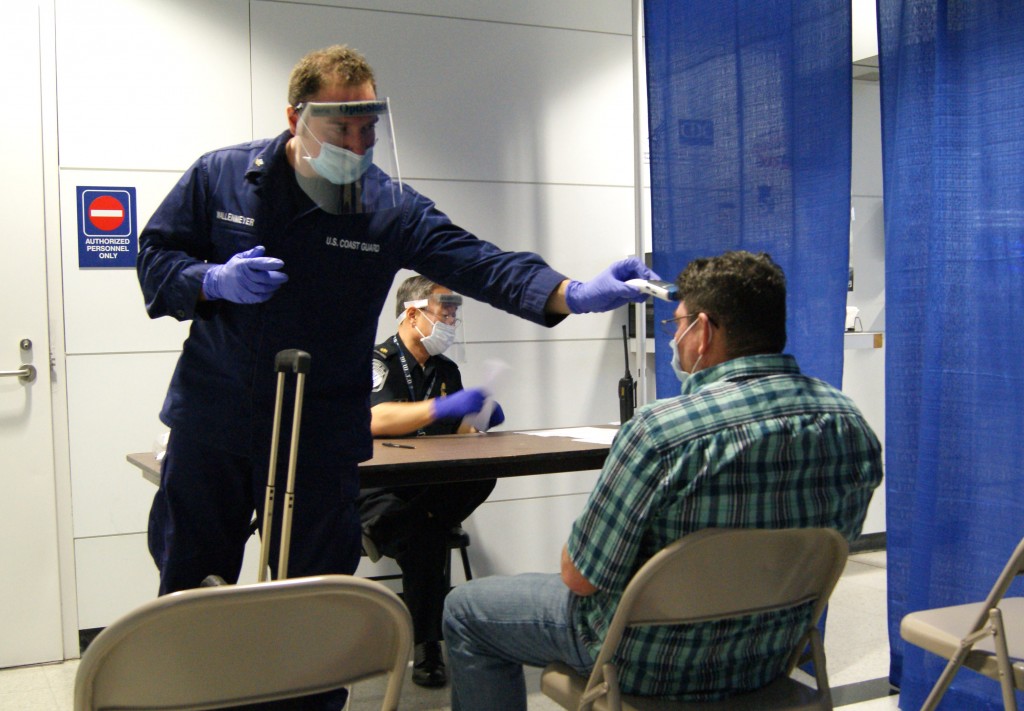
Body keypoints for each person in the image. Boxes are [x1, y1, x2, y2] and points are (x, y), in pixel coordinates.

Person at [137, 44, 654, 600]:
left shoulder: (386, 206)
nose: (358, 148)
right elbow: (157, 259)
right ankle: (196, 685)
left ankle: (306, 691)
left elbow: (478, 262)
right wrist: (212, 280)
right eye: (342, 132)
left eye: (369, 131)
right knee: (190, 584)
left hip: (321, 430)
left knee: (314, 598)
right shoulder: (222, 177)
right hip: (217, 416)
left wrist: (571, 293)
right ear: (295, 119)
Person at [442, 250, 885, 710]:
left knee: (466, 609)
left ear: (704, 330)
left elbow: (579, 578)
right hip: (767, 655)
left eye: (677, 325)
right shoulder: (849, 423)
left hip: (646, 661)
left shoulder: (661, 432)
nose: (675, 337)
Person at [358, 275, 501, 688]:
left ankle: (388, 528)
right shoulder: (376, 360)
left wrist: (477, 421)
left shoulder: (445, 370)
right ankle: (428, 646)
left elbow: (455, 441)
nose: (452, 320)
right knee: (426, 535)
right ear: (414, 313)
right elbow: (375, 420)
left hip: (425, 489)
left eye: (455, 313)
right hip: (380, 485)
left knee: (481, 473)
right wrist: (442, 406)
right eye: (446, 311)